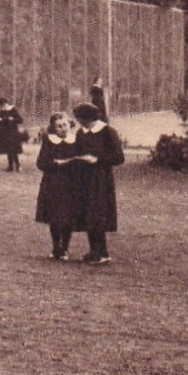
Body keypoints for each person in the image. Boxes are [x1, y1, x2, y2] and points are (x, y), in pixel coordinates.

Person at [72, 101, 123, 264]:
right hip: (84, 179)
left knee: (98, 214)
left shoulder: (107, 132)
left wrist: (97, 159)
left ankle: (102, 252)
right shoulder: (81, 133)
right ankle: (94, 250)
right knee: (87, 214)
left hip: (101, 179)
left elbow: (119, 157)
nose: (79, 122)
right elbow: (77, 152)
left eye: (81, 118)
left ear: (88, 118)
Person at [35, 112, 80, 261]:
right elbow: (41, 163)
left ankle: (65, 248)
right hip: (52, 183)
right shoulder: (49, 141)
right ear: (54, 128)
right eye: (59, 126)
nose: (63, 129)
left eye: (65, 125)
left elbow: (80, 161)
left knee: (68, 216)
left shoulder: (75, 140)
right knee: (54, 216)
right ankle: (56, 247)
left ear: (70, 124)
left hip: (71, 183)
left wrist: (72, 164)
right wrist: (55, 164)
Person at [0, 98, 28, 172]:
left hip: (13, 133)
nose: (3, 107)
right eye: (1, 105)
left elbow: (20, 120)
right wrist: (0, 120)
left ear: (7, 103)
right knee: (7, 150)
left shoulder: (13, 110)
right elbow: (0, 121)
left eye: (4, 105)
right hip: (5, 133)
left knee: (13, 150)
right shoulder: (1, 111)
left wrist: (12, 120)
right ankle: (10, 166)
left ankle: (18, 166)